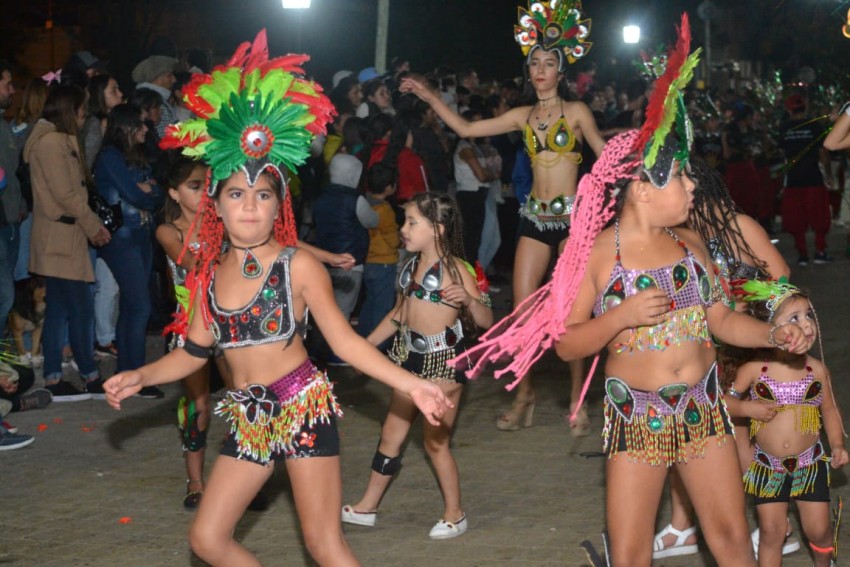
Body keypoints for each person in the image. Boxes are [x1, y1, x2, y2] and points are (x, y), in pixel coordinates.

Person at [454, 16, 807, 565]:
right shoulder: (597, 255)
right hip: (636, 418)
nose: (693, 186)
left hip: (704, 411)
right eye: (681, 179)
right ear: (641, 189)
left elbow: (719, 320)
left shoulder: (691, 245)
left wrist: (773, 333)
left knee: (733, 541)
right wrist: (621, 317)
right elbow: (567, 344)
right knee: (631, 552)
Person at [104, 30, 451, 567]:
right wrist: (141, 375)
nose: (249, 206)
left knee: (324, 544)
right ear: (215, 205)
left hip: (301, 406)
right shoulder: (208, 276)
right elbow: (193, 352)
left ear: (278, 205)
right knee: (207, 539)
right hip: (248, 416)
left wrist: (413, 384)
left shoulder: (298, 265)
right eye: (236, 194)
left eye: (262, 195)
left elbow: (345, 343)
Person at [401, 0, 604, 434]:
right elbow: (466, 130)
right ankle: (525, 395)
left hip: (570, 221)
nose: (541, 69)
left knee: (569, 313)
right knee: (521, 312)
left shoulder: (578, 112)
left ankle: (577, 399)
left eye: (549, 63)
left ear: (561, 72)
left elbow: (604, 162)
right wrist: (430, 95)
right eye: (535, 63)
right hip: (533, 218)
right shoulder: (521, 115)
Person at [652, 159, 794, 560]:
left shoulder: (739, 225)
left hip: (746, 344)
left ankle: (775, 525)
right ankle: (687, 526)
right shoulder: (683, 235)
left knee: (742, 441)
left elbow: (781, 278)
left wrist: (737, 294)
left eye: (690, 188)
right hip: (710, 347)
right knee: (701, 440)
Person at [342, 192, 493, 539]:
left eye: (412, 223)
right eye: (405, 221)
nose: (403, 229)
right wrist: (363, 348)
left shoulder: (457, 270)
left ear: (438, 229)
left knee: (435, 443)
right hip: (408, 363)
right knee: (390, 437)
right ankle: (367, 506)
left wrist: (469, 301)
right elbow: (399, 315)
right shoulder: (409, 266)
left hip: (445, 368)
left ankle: (456, 513)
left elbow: (486, 320)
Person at [727, 281, 847, 566]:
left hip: (810, 464)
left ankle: (824, 562)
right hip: (767, 467)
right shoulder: (753, 370)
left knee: (819, 530)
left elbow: (830, 411)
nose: (806, 324)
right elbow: (723, 402)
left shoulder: (817, 370)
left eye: (808, 315)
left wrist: (838, 444)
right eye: (794, 318)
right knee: (772, 532)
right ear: (768, 330)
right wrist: (746, 407)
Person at [24, 85, 111, 401]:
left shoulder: (55, 141)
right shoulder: (51, 144)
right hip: (62, 237)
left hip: (62, 237)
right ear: (69, 109)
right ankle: (87, 376)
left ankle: (55, 377)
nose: (85, 113)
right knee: (80, 308)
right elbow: (67, 194)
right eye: (82, 107)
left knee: (61, 308)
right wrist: (94, 226)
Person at [156, 153, 222, 508]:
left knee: (246, 398)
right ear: (174, 193)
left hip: (227, 322)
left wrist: (328, 257)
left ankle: (252, 474)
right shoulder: (169, 230)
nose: (203, 193)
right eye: (194, 186)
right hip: (190, 326)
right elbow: (190, 262)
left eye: (207, 186)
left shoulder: (222, 223)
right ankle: (195, 483)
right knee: (198, 407)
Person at [95, 103, 165, 398]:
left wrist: (147, 192)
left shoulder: (133, 156)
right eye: (142, 124)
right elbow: (137, 193)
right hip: (122, 237)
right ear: (127, 127)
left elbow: (157, 192)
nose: (147, 129)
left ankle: (127, 373)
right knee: (139, 306)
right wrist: (145, 191)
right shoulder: (110, 156)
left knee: (133, 306)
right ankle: (134, 376)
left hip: (139, 233)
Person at [779, 94, 833, 266]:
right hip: (813, 177)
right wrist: (829, 174)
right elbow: (823, 153)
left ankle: (802, 254)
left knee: (796, 218)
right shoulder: (814, 126)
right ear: (805, 107)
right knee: (819, 216)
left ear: (789, 109)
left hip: (794, 180)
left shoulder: (784, 128)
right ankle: (820, 251)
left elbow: (782, 155)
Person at [357, 164, 400, 341]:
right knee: (382, 305)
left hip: (367, 259)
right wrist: (400, 242)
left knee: (370, 302)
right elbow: (391, 236)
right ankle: (378, 343)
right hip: (384, 261)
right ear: (389, 187)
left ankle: (363, 336)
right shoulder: (385, 210)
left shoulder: (363, 204)